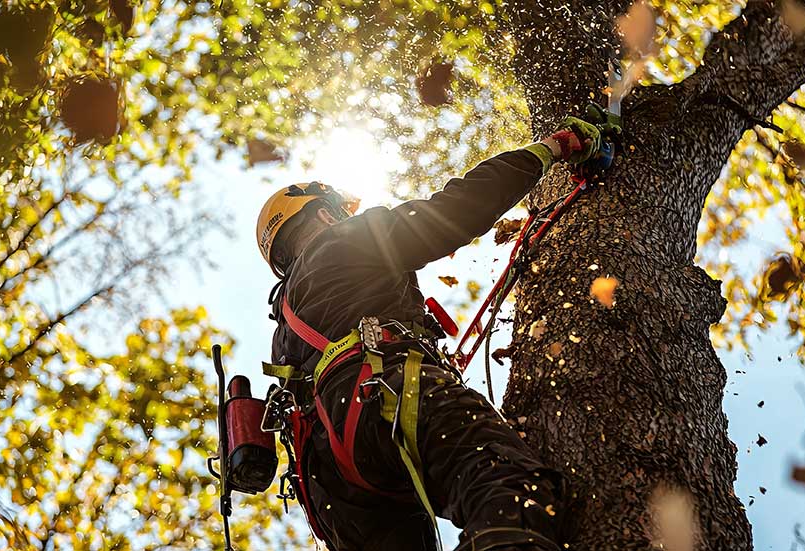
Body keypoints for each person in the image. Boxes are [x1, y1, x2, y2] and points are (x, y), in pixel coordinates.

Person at [255, 117, 604, 551]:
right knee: (508, 488)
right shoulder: (341, 240)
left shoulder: (282, 335)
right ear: (326, 213)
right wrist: (551, 148)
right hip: (384, 395)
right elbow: (456, 209)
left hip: (333, 483)